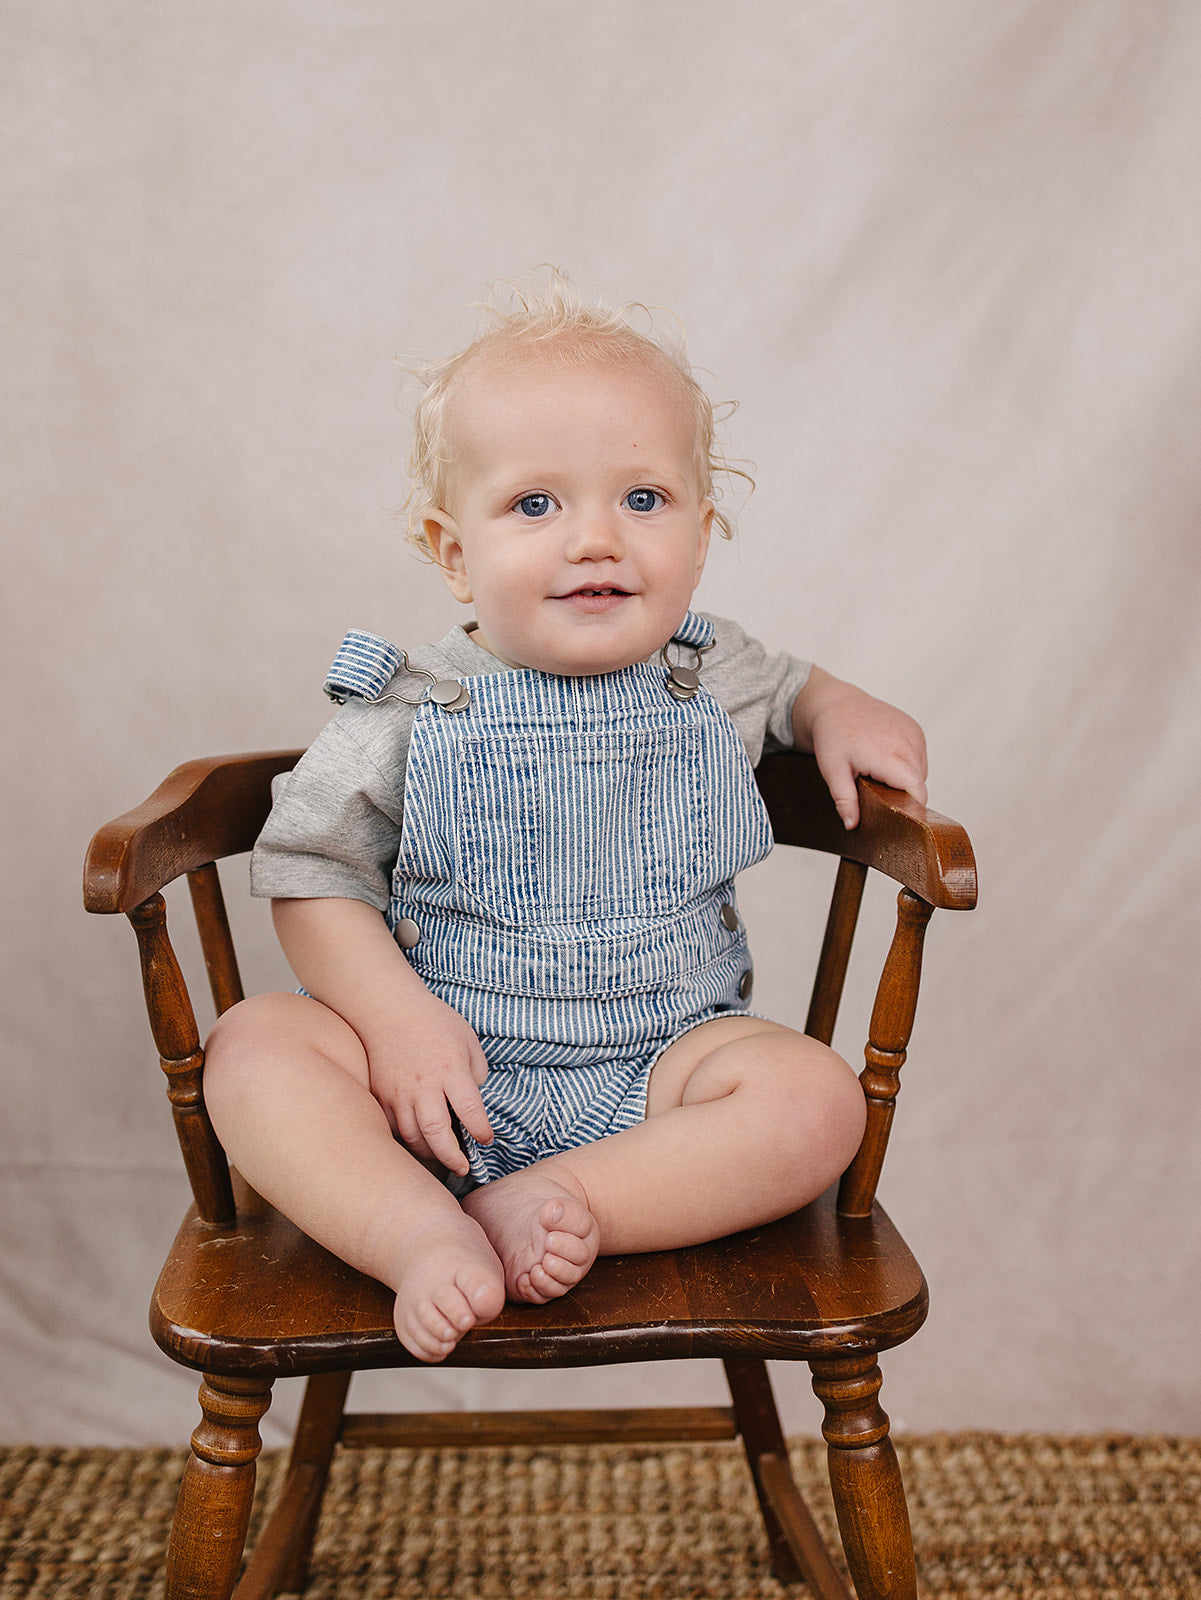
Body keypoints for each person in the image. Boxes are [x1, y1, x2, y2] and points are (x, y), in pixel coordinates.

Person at [202, 272, 928, 1363]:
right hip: (438, 1082)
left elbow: (790, 685)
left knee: (817, 1100)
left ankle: (565, 1198)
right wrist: (395, 1024)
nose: (596, 539)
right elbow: (314, 873)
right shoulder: (407, 708)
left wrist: (835, 707)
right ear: (455, 552)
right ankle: (413, 1230)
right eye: (536, 504)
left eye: (643, 499)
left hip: (663, 1076)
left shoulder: (712, 674)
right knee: (256, 1048)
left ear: (702, 529)